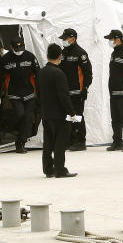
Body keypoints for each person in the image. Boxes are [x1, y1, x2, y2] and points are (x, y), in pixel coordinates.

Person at [38, 43, 78, 179]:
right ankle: (60, 169)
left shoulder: (41, 72)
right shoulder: (59, 74)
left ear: (47, 55)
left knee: (48, 142)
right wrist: (72, 112)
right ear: (60, 56)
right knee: (60, 142)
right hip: (60, 114)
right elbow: (63, 96)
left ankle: (48, 169)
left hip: (46, 113)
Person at [0, 37, 40, 154]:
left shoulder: (30, 56)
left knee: (28, 117)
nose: (19, 50)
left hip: (29, 93)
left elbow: (37, 74)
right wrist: (0, 93)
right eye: (16, 48)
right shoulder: (5, 59)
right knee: (20, 115)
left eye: (20, 48)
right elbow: (0, 77)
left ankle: (20, 143)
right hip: (14, 94)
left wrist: (40, 92)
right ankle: (18, 135)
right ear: (11, 48)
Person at [59, 28, 92, 151]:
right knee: (68, 117)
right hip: (65, 92)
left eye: (65, 38)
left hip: (78, 92)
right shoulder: (63, 53)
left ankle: (80, 141)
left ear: (73, 38)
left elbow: (88, 73)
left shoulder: (81, 53)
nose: (63, 41)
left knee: (77, 116)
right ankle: (70, 140)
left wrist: (85, 88)